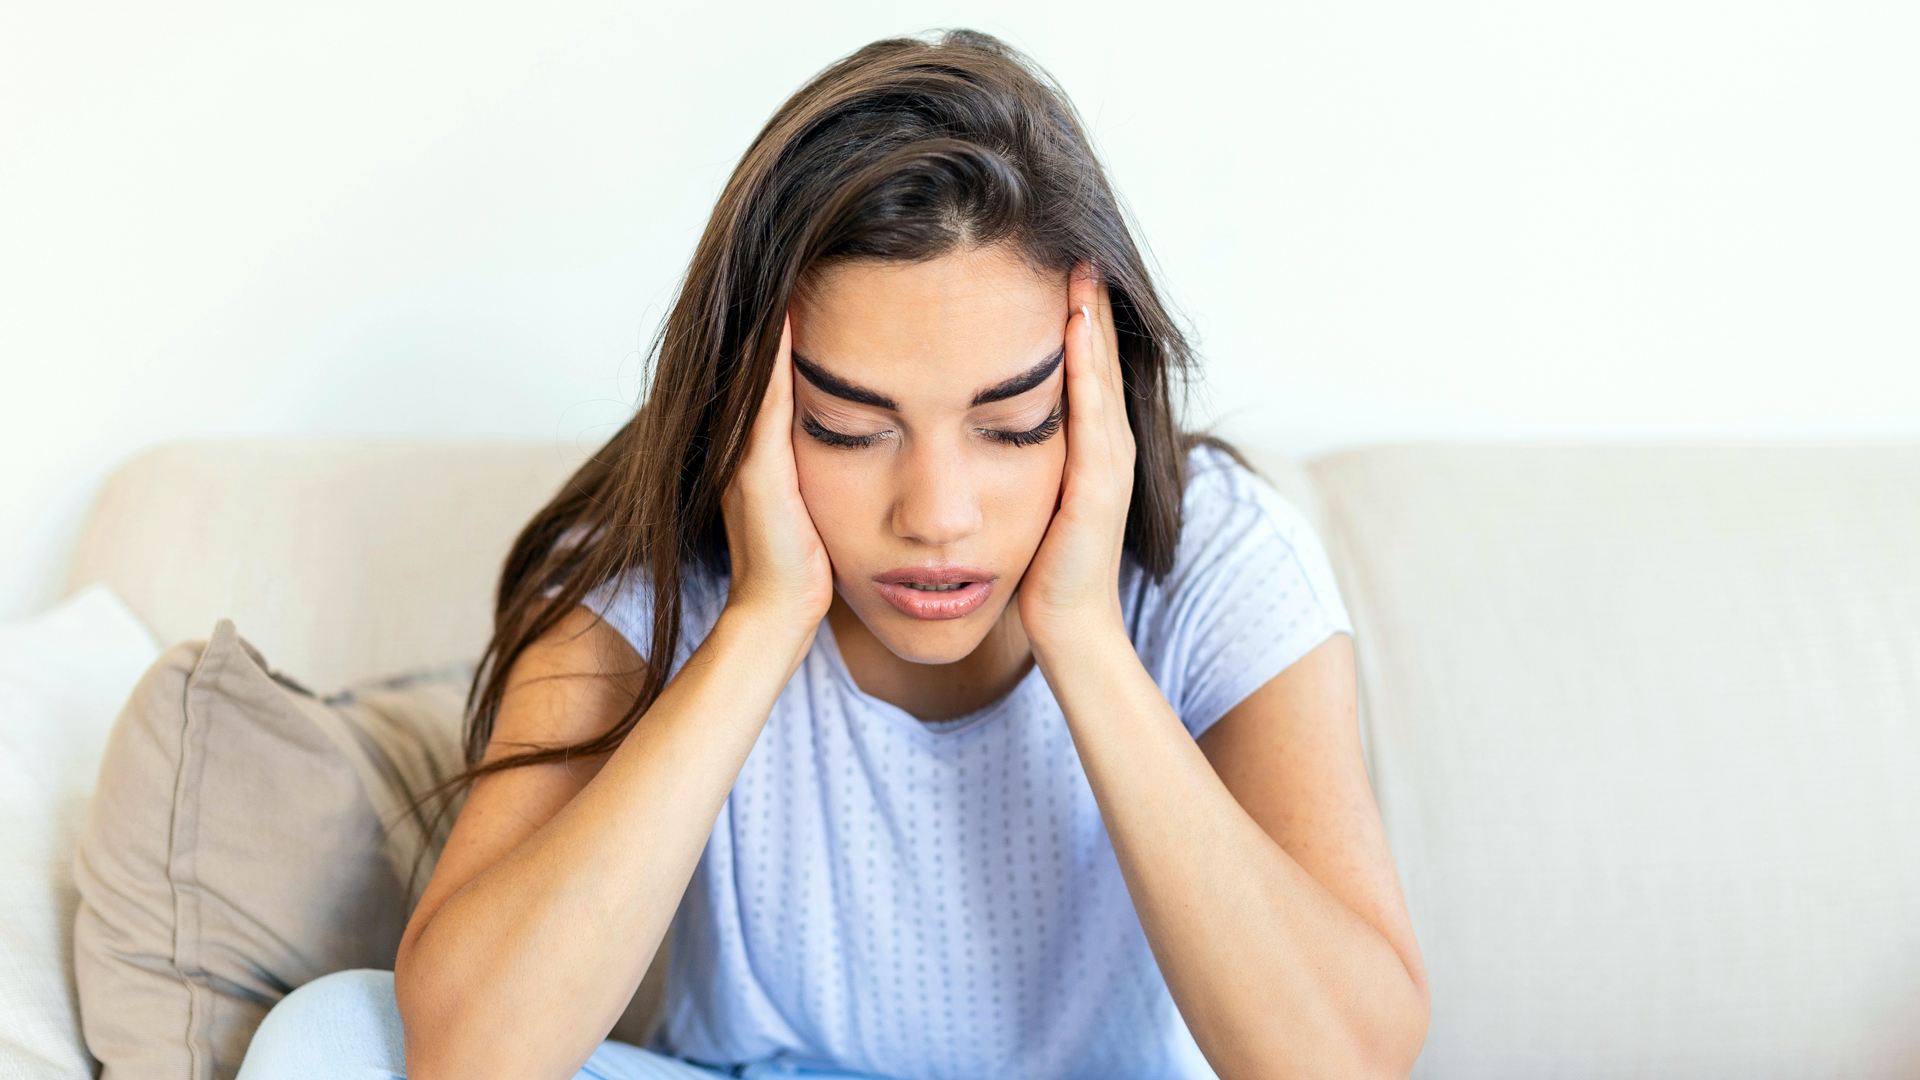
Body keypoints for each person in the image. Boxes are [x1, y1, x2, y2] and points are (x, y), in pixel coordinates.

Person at [237, 29, 1429, 1080]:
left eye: (1012, 426)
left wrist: (1085, 636)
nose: (939, 512)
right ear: (752, 398)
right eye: (850, 429)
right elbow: (468, 1056)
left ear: (1097, 391)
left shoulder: (1218, 557)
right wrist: (762, 619)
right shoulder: (647, 571)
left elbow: (1346, 1063)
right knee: (334, 1040)